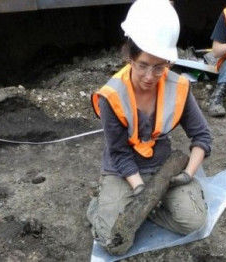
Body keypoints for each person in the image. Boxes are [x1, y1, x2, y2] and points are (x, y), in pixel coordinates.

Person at [86, 0, 212, 254]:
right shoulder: (111, 95)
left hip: (162, 167)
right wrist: (142, 191)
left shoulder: (178, 88)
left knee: (194, 221)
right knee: (114, 242)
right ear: (130, 56)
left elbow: (202, 136)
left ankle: (148, 210)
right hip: (123, 171)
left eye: (159, 67)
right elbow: (119, 153)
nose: (149, 77)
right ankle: (100, 204)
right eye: (143, 65)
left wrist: (187, 173)